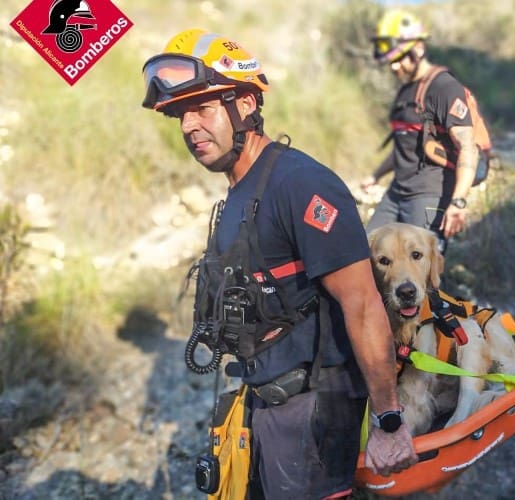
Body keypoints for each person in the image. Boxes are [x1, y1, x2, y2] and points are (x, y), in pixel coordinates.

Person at [141, 29, 417, 498]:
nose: (189, 126)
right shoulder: (239, 190)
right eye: (180, 115)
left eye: (203, 108)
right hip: (264, 403)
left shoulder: (300, 184)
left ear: (245, 105)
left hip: (313, 414)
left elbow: (363, 303)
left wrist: (389, 420)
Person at [360, 9, 479, 255]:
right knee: (366, 255)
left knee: (418, 275)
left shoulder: (444, 87)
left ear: (419, 49)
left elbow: (468, 146)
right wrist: (375, 176)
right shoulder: (406, 91)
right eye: (390, 61)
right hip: (396, 193)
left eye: (399, 58)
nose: (393, 67)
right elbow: (405, 146)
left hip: (428, 196)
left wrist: (458, 201)